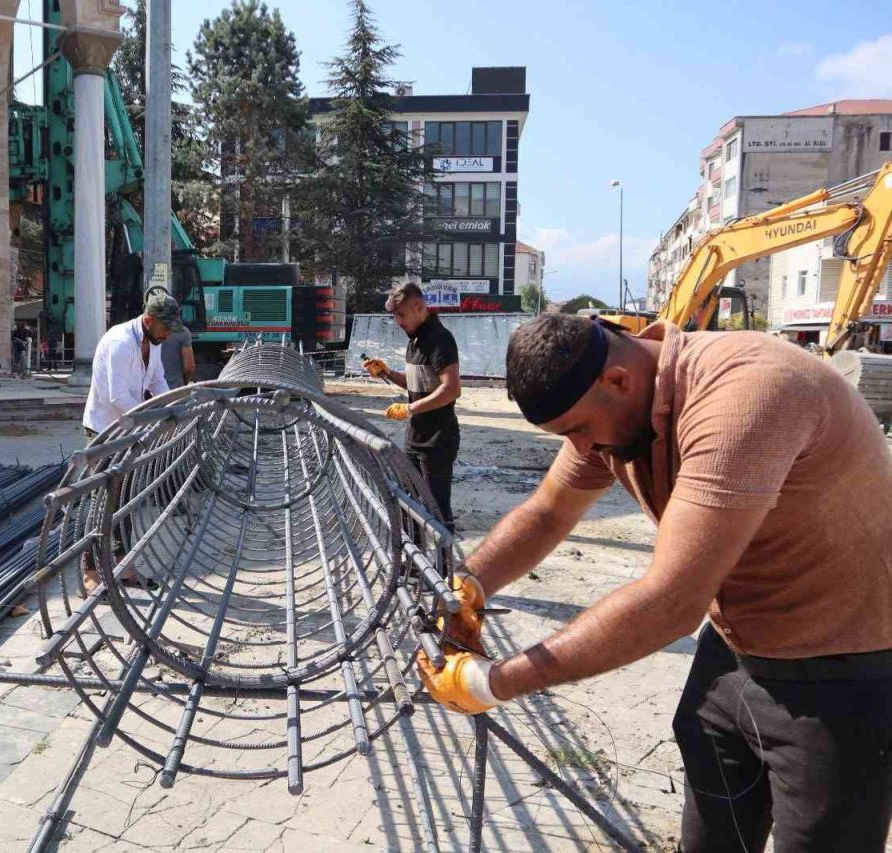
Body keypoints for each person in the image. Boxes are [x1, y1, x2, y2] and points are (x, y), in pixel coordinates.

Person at [416, 313, 892, 852]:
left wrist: (491, 682)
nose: (582, 448)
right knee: (712, 836)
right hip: (735, 646)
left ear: (619, 380)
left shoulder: (747, 394)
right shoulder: (614, 410)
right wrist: (468, 586)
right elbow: (549, 513)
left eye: (578, 430)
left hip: (841, 667)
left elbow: (670, 601)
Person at [80, 289, 182, 593]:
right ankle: (90, 574)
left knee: (123, 501)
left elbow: (156, 381)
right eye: (165, 329)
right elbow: (117, 397)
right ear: (148, 320)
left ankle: (122, 566)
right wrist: (155, 415)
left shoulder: (154, 341)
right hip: (104, 431)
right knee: (99, 502)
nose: (168, 335)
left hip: (128, 429)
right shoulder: (120, 343)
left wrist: (171, 405)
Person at [361, 282, 462, 532]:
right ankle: (416, 565)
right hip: (416, 436)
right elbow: (417, 382)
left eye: (401, 314)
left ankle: (443, 568)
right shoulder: (414, 339)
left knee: (436, 507)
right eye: (394, 315)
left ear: (419, 307)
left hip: (438, 438)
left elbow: (451, 390)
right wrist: (386, 372)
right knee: (410, 499)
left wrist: (409, 409)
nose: (398, 321)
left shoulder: (439, 340)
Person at [160, 320, 195, 389]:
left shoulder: (146, 331)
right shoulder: (183, 332)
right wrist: (185, 382)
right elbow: (189, 368)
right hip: (174, 389)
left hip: (151, 392)